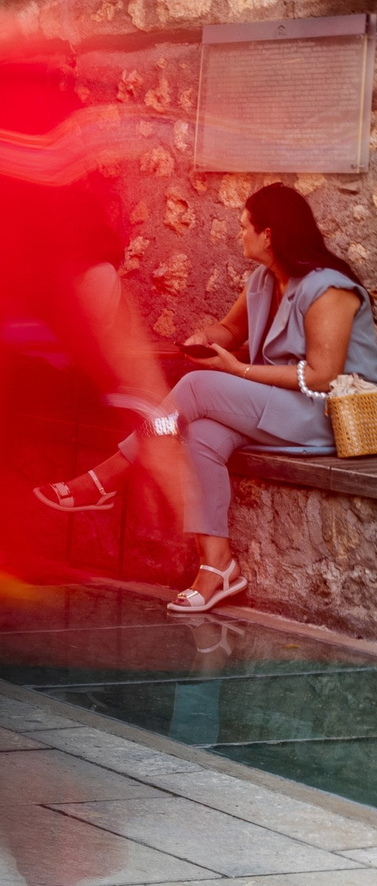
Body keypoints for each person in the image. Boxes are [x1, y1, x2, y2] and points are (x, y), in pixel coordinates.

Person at [35, 181, 377, 614]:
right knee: (203, 433)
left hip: (324, 414)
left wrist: (239, 370)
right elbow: (231, 331)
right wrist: (205, 338)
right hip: (277, 405)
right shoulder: (263, 281)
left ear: (268, 234)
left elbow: (323, 375)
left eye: (244, 226)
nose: (239, 234)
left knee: (196, 388)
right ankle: (217, 567)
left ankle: (109, 474)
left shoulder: (328, 289)